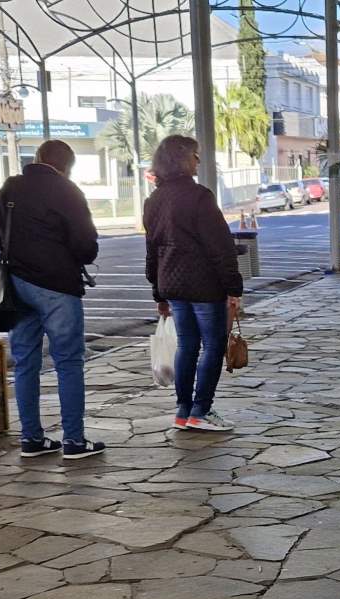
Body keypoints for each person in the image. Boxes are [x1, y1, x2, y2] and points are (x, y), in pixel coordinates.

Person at [0, 139, 104, 459]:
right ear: (67, 166)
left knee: (26, 362)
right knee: (68, 362)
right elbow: (86, 246)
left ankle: (31, 439)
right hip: (58, 287)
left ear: (37, 158)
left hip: (17, 285)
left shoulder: (9, 189)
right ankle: (74, 441)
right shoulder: (67, 191)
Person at [143, 135, 244, 432]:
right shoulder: (199, 196)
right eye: (196, 155)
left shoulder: (154, 200)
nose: (199, 160)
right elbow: (220, 246)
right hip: (203, 285)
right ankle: (202, 409)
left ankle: (183, 410)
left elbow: (152, 249)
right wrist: (233, 287)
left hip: (172, 284)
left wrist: (158, 291)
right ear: (184, 159)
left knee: (186, 345)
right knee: (213, 345)